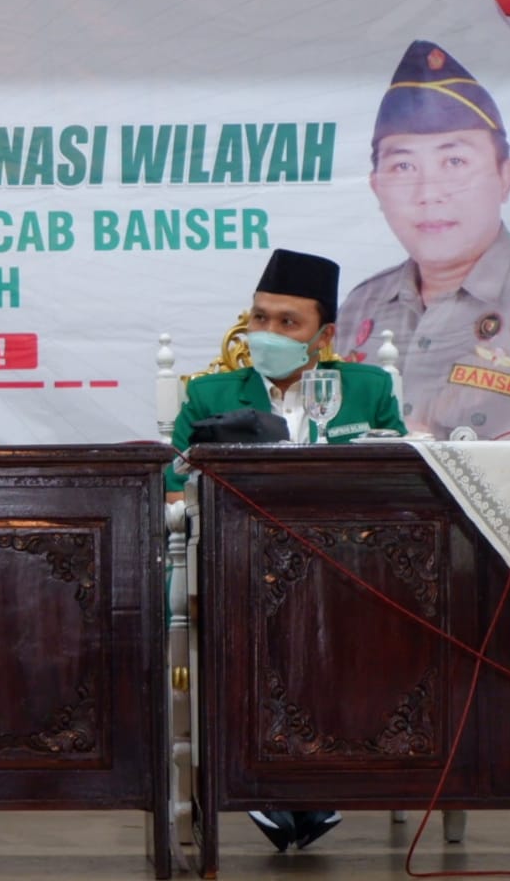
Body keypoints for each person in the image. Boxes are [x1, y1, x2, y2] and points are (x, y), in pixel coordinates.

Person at [166, 248, 403, 853]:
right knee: (269, 615)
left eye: (287, 322)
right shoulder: (210, 396)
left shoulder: (367, 389)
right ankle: (294, 781)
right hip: (240, 570)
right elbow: (172, 485)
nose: (266, 333)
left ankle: (288, 780)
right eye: (260, 317)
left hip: (348, 569)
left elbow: (401, 477)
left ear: (324, 337)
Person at [336, 39, 510, 440]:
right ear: (376, 187)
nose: (428, 192)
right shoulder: (361, 305)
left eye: (454, 161)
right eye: (403, 166)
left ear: (506, 177)